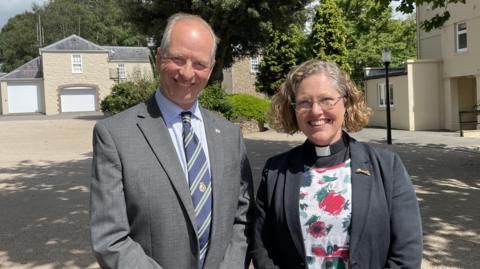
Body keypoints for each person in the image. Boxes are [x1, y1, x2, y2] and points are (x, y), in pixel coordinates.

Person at [90, 13, 254, 269]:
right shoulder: (115, 135)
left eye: (199, 64)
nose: (187, 72)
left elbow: (243, 219)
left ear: (210, 70)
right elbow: (110, 238)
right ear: (158, 58)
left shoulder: (230, 135)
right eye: (177, 59)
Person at [250, 59, 423, 269]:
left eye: (326, 100)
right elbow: (263, 247)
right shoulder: (276, 171)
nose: (315, 111)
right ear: (293, 109)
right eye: (304, 102)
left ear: (346, 103)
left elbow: (407, 251)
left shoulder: (387, 167)